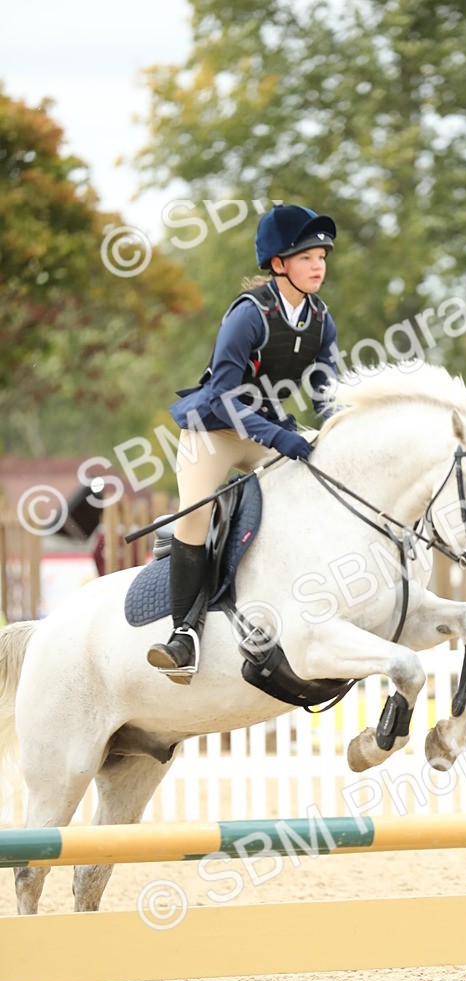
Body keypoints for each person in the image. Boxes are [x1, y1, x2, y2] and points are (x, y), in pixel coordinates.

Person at [147, 203, 339, 682]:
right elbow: (225, 395)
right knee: (195, 516)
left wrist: (338, 429)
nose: (318, 265)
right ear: (279, 264)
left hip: (264, 428)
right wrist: (279, 436)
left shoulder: (320, 318)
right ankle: (183, 635)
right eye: (307, 257)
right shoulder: (249, 315)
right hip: (213, 430)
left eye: (322, 256)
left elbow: (327, 392)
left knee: (318, 478)